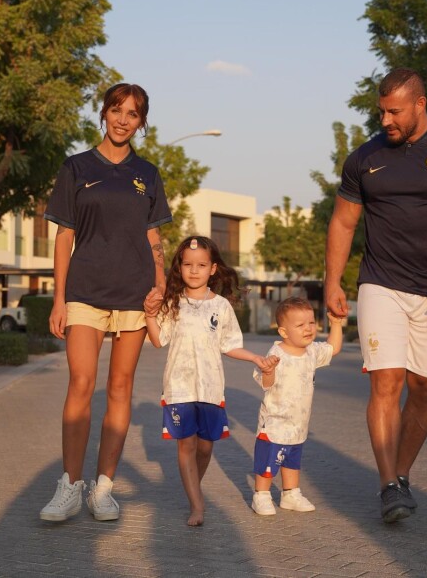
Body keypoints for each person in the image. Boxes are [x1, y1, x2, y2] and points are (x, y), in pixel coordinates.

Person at [325, 68, 427, 523]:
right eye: (381, 111)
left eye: (394, 111)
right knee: (387, 382)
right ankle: (387, 486)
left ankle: (400, 476)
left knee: (424, 389)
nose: (386, 120)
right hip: (381, 284)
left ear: (420, 104)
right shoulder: (364, 159)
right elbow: (343, 222)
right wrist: (332, 281)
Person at [40, 83, 172, 523]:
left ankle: (104, 488)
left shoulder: (148, 174)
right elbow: (64, 236)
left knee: (120, 388)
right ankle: (69, 486)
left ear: (142, 122)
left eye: (132, 114)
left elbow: (154, 236)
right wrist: (59, 299)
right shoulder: (76, 168)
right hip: (85, 292)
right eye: (116, 110)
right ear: (103, 113)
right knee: (81, 382)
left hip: (134, 295)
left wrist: (160, 284)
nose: (122, 119)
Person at [144, 235, 280, 526]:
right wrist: (150, 316)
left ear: (213, 269)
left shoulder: (221, 306)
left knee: (205, 447)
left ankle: (192, 486)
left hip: (210, 389)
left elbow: (229, 345)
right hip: (179, 389)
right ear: (179, 267)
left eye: (201, 265)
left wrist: (255, 358)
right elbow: (158, 341)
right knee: (186, 446)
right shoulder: (172, 303)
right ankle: (197, 503)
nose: (194, 270)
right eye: (188, 264)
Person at [251, 297, 343, 516]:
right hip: (274, 423)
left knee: (292, 459)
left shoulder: (311, 351)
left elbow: (333, 348)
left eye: (311, 323)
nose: (308, 329)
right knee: (268, 461)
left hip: (298, 422)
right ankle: (261, 495)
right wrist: (268, 371)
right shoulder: (276, 354)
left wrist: (337, 324)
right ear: (284, 332)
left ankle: (290, 493)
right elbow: (266, 384)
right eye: (300, 325)